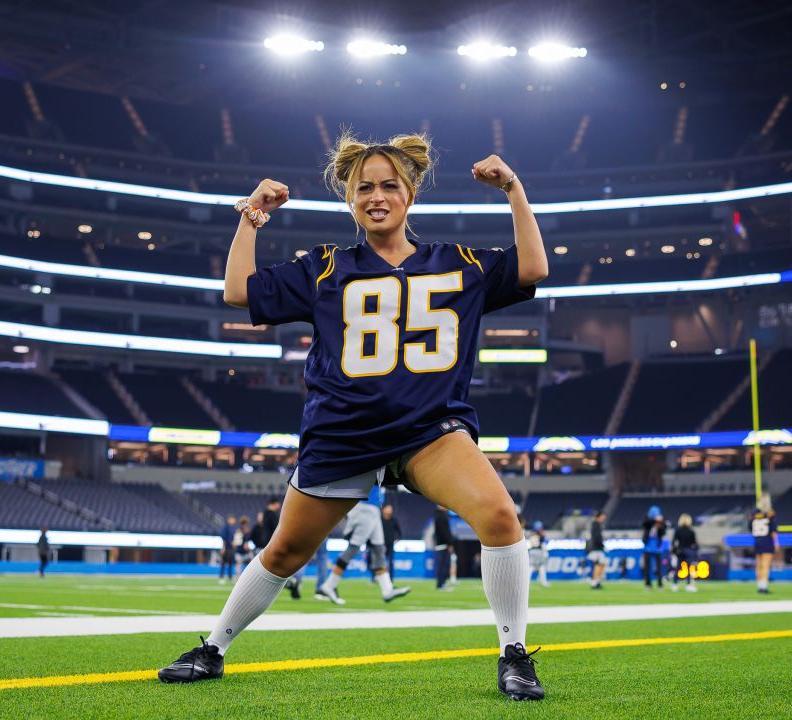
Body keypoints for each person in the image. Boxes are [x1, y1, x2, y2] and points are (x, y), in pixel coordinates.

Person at [157, 134, 549, 701]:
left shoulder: (457, 263)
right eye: (364, 187)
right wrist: (251, 217)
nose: (377, 195)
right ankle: (213, 648)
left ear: (410, 195)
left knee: (499, 517)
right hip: (343, 432)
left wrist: (513, 189)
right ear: (349, 200)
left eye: (390, 184)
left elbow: (533, 267)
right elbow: (237, 291)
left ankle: (514, 655)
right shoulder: (325, 267)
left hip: (429, 430)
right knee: (286, 552)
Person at [317, 486, 411, 604]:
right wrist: (404, 487)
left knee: (378, 550)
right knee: (353, 549)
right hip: (365, 508)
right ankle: (329, 585)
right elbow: (383, 480)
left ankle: (387, 589)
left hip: (373, 508)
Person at [751, 497, 777, 594]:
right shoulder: (770, 514)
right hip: (767, 541)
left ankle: (759, 586)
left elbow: (751, 527)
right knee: (765, 565)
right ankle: (763, 587)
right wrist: (776, 542)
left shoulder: (755, 514)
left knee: (759, 565)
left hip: (757, 541)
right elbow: (773, 530)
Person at [671, 514, 699, 592]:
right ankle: (689, 585)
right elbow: (694, 543)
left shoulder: (678, 530)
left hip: (680, 551)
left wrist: (674, 551)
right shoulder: (691, 531)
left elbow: (674, 542)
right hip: (689, 551)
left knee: (678, 568)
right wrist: (695, 552)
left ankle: (675, 584)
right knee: (690, 569)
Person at [641, 506, 666, 590]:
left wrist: (660, 522)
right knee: (647, 567)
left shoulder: (661, 522)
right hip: (648, 547)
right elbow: (645, 523)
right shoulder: (648, 521)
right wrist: (656, 520)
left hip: (657, 548)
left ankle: (660, 585)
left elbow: (664, 530)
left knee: (659, 568)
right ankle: (648, 584)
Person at [434, 504, 455, 591]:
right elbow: (445, 532)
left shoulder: (437, 515)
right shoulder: (441, 516)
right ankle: (441, 584)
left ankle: (441, 583)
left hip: (440, 544)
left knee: (442, 565)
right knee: (444, 565)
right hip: (443, 545)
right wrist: (449, 543)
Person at [586, 511, 607, 589]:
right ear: (599, 516)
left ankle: (597, 581)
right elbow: (596, 537)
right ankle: (594, 582)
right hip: (595, 548)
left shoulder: (597, 524)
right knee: (598, 565)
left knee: (602, 564)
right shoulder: (595, 524)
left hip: (598, 548)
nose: (604, 518)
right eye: (603, 516)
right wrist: (601, 545)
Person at [381, 503, 402, 580]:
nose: (389, 510)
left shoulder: (394, 520)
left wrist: (397, 540)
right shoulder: (380, 520)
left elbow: (399, 533)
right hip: (381, 545)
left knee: (390, 562)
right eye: (388, 508)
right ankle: (376, 578)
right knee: (379, 563)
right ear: (383, 510)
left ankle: (391, 579)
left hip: (390, 546)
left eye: (390, 509)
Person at [527, 521, 550, 588]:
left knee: (531, 567)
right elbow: (545, 541)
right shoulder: (540, 535)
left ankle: (528, 582)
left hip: (532, 551)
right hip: (538, 551)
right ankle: (543, 582)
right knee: (541, 566)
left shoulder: (531, 534)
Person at [217, 516, 237, 584]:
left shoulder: (231, 528)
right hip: (226, 548)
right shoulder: (225, 527)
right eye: (233, 519)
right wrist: (223, 548)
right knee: (223, 563)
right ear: (229, 519)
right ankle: (221, 577)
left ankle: (230, 577)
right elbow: (223, 538)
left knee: (230, 563)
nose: (234, 521)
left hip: (230, 549)